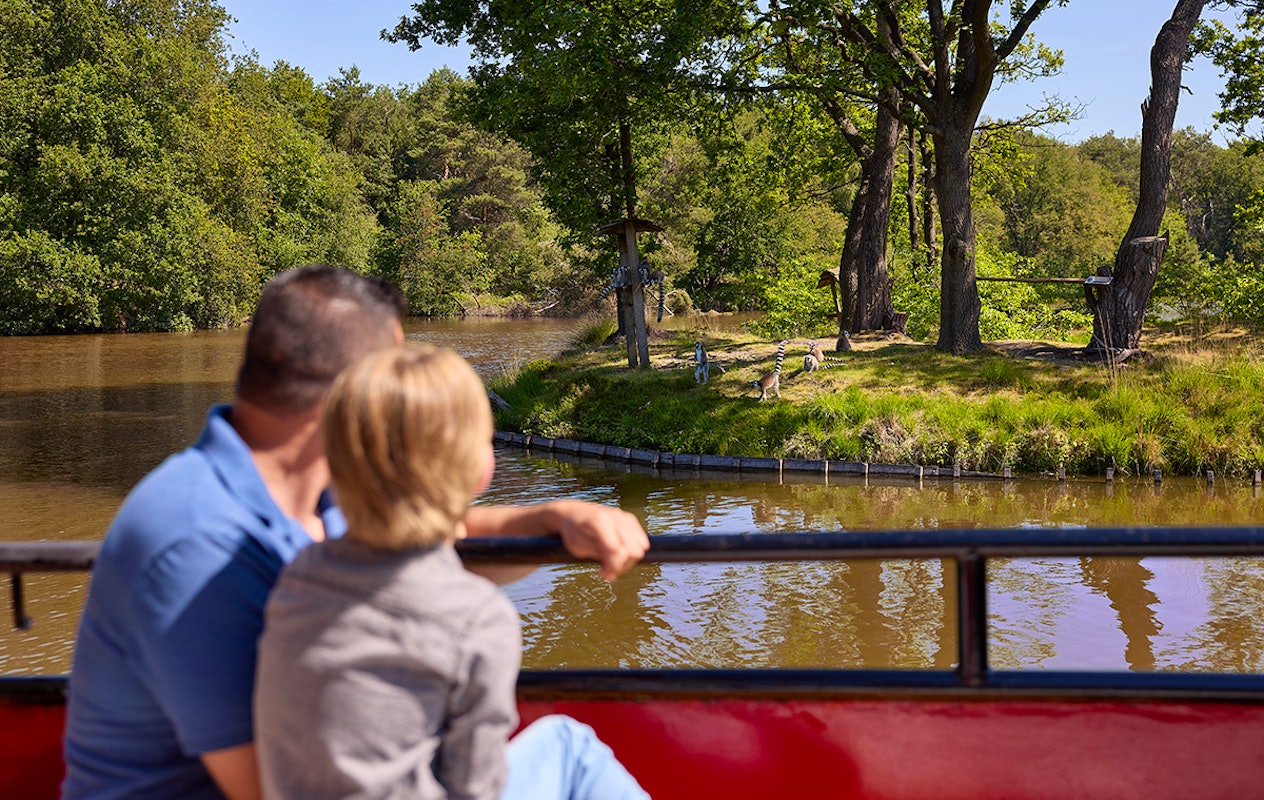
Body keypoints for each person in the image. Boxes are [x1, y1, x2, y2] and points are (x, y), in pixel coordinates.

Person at [61, 265, 649, 800]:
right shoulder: (193, 541)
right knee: (569, 753)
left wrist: (550, 520)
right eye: (392, 381)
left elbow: (419, 552)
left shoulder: (323, 489)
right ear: (352, 393)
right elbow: (268, 789)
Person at [254, 344, 647, 799]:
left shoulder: (300, 575)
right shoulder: (477, 620)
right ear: (482, 469)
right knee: (569, 746)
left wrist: (549, 517)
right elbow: (475, 789)